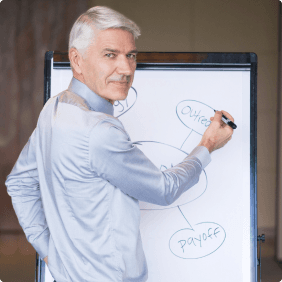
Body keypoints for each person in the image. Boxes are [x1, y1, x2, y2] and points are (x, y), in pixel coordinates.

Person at [6, 6, 234, 282]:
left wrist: (48, 251)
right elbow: (164, 189)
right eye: (110, 55)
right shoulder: (99, 130)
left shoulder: (54, 109)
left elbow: (19, 183)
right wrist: (208, 144)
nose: (126, 69)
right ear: (77, 61)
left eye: (131, 56)